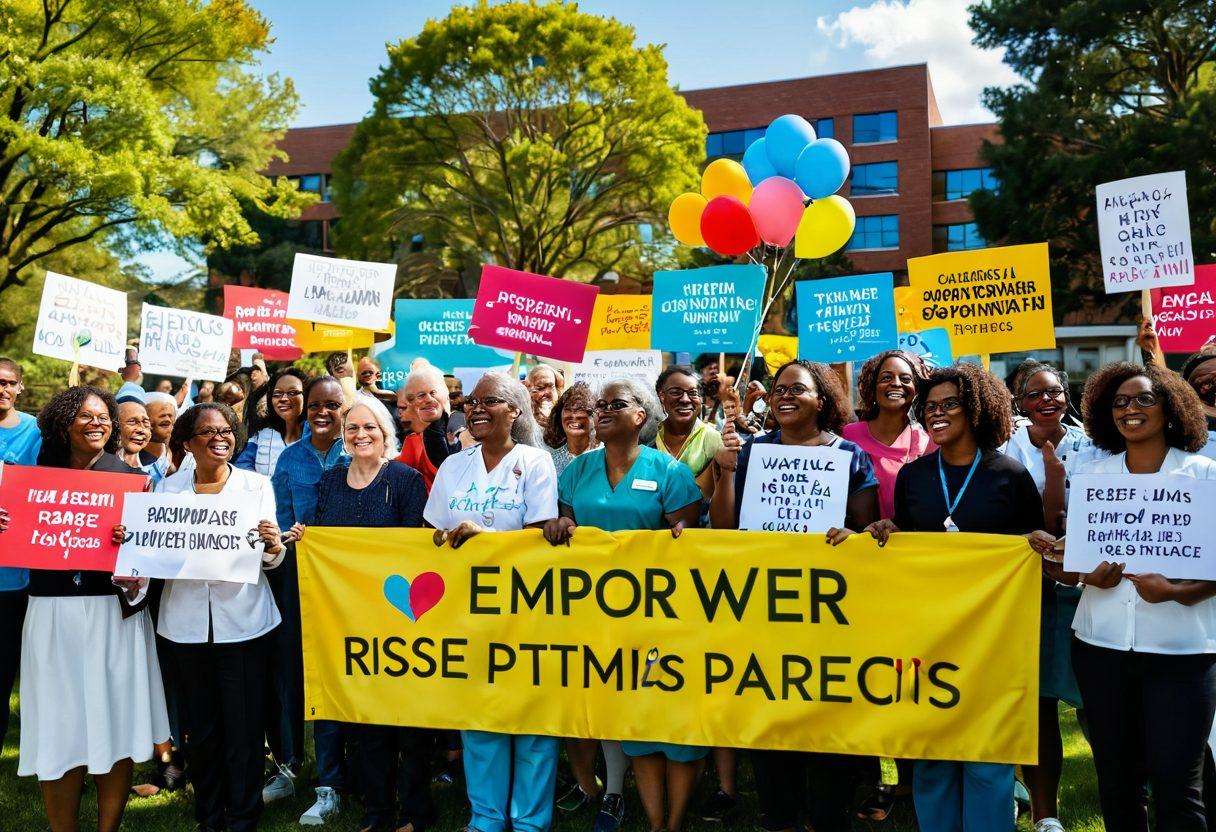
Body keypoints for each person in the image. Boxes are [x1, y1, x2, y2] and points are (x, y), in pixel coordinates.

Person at [864, 363, 1055, 832]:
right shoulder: (913, 476)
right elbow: (908, 544)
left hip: (992, 642)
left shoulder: (1009, 475)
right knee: (933, 752)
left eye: (949, 404)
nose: (936, 414)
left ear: (975, 409)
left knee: (987, 757)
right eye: (929, 407)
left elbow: (1034, 553)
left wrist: (1037, 544)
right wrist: (888, 531)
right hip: (929, 638)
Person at [710, 360, 879, 832]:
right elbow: (724, 529)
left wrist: (852, 534)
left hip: (829, 610)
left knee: (827, 712)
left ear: (820, 401)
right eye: (777, 389)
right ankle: (779, 815)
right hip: (765, 607)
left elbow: (865, 530)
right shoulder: (751, 451)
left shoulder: (849, 455)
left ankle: (828, 815)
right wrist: (726, 471)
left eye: (797, 389)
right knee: (771, 712)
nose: (783, 396)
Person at [1062, 362, 1216, 832]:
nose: (1131, 409)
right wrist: (1084, 575)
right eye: (1120, 402)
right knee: (1116, 782)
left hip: (1183, 653)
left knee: (1177, 786)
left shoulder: (1205, 475)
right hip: (1100, 648)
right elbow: (1073, 566)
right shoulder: (1092, 475)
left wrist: (1179, 591)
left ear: (1170, 410)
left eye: (1144, 399)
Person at [544, 379, 703, 832]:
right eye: (601, 404)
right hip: (589, 614)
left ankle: (666, 820)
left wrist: (680, 533)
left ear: (641, 416)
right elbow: (564, 520)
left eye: (617, 403)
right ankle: (612, 795)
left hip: (654, 618)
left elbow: (689, 538)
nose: (604, 410)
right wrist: (560, 524)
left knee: (653, 706)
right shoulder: (577, 470)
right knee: (605, 701)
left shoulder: (668, 471)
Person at [14, 386, 168, 832]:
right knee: (58, 724)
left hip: (111, 614)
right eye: (85, 415)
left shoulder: (133, 480)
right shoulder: (34, 479)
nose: (98, 422)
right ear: (64, 424)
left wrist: (133, 544)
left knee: (114, 721)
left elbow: (152, 561)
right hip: (52, 613)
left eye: (104, 416)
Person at [288, 396, 433, 832]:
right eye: (352, 428)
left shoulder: (405, 480)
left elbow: (415, 546)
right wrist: (305, 537)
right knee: (365, 721)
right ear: (343, 437)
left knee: (409, 723)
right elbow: (323, 538)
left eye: (369, 427)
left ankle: (415, 811)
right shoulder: (331, 481)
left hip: (400, 617)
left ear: (385, 434)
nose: (360, 435)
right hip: (350, 619)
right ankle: (377, 811)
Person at [426, 371, 560, 832]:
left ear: (515, 411)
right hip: (468, 608)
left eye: (490, 401)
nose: (476, 408)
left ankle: (529, 821)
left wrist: (487, 538)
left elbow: (539, 537)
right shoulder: (452, 466)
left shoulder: (536, 462)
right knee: (479, 715)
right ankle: (485, 817)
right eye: (471, 402)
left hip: (525, 610)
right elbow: (435, 535)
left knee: (529, 718)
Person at [151, 402, 286, 832]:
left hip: (244, 622)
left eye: (226, 430)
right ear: (188, 443)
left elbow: (270, 559)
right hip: (186, 625)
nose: (219, 438)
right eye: (207, 432)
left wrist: (272, 547)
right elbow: (155, 554)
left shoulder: (256, 485)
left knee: (245, 727)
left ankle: (243, 815)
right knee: (201, 730)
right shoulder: (166, 491)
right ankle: (208, 816)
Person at [1001, 361, 1106, 832]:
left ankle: (1128, 797)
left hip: (1087, 587)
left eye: (1056, 391)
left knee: (1098, 701)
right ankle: (1046, 815)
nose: (1049, 400)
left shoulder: (1097, 445)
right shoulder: (1004, 449)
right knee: (1038, 703)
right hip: (1028, 591)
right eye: (1036, 393)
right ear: (1019, 401)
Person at [271, 375, 351, 823]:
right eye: (315, 405)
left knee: (334, 676)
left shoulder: (359, 450)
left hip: (345, 588)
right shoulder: (289, 459)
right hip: (295, 580)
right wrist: (286, 538)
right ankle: (287, 766)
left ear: (345, 408)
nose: (323, 413)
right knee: (291, 675)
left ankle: (332, 780)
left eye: (332, 405)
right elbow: (279, 523)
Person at [0, 357, 41, 747]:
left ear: (19, 388)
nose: (2, 389)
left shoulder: (36, 432)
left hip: (18, 577)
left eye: (8, 383)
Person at [654, 366, 723, 505]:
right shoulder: (649, 437)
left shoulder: (713, 439)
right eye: (676, 392)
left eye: (693, 393)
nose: (685, 399)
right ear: (662, 396)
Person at [396, 364, 460, 491]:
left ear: (446, 394)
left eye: (433, 393)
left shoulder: (463, 426)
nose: (429, 399)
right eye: (421, 395)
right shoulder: (413, 440)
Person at [236, 368, 308, 478]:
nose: (284, 398)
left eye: (292, 392)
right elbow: (242, 467)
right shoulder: (261, 435)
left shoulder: (317, 436)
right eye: (277, 393)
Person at [543, 381, 598, 477]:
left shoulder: (608, 457)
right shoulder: (548, 460)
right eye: (568, 409)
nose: (573, 416)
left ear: (595, 416)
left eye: (581, 409)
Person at [116, 398, 167, 487]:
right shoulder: (97, 464)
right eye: (132, 422)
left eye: (146, 423)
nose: (141, 429)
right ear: (115, 426)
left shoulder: (156, 471)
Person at [144, 391, 179, 477]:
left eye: (170, 415)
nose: (167, 419)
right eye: (162, 415)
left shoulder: (181, 454)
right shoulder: (131, 457)